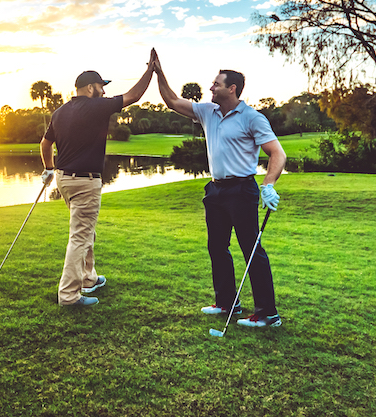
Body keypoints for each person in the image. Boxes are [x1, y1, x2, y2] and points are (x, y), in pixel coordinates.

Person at [152, 55, 287, 328]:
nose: (210, 88)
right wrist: (159, 72)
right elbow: (172, 101)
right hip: (215, 190)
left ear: (231, 89)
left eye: (215, 84)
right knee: (217, 247)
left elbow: (277, 153)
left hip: (242, 190)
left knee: (251, 249)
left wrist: (268, 185)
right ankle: (227, 302)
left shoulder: (252, 118)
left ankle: (267, 314)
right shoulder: (206, 111)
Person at [40, 50, 157, 307]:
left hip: (65, 180)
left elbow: (45, 143)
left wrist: (49, 169)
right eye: (101, 87)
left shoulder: (60, 112)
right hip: (85, 181)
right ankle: (69, 296)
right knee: (80, 236)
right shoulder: (97, 106)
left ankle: (88, 278)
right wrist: (150, 69)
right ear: (90, 87)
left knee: (85, 231)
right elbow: (134, 95)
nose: (104, 92)